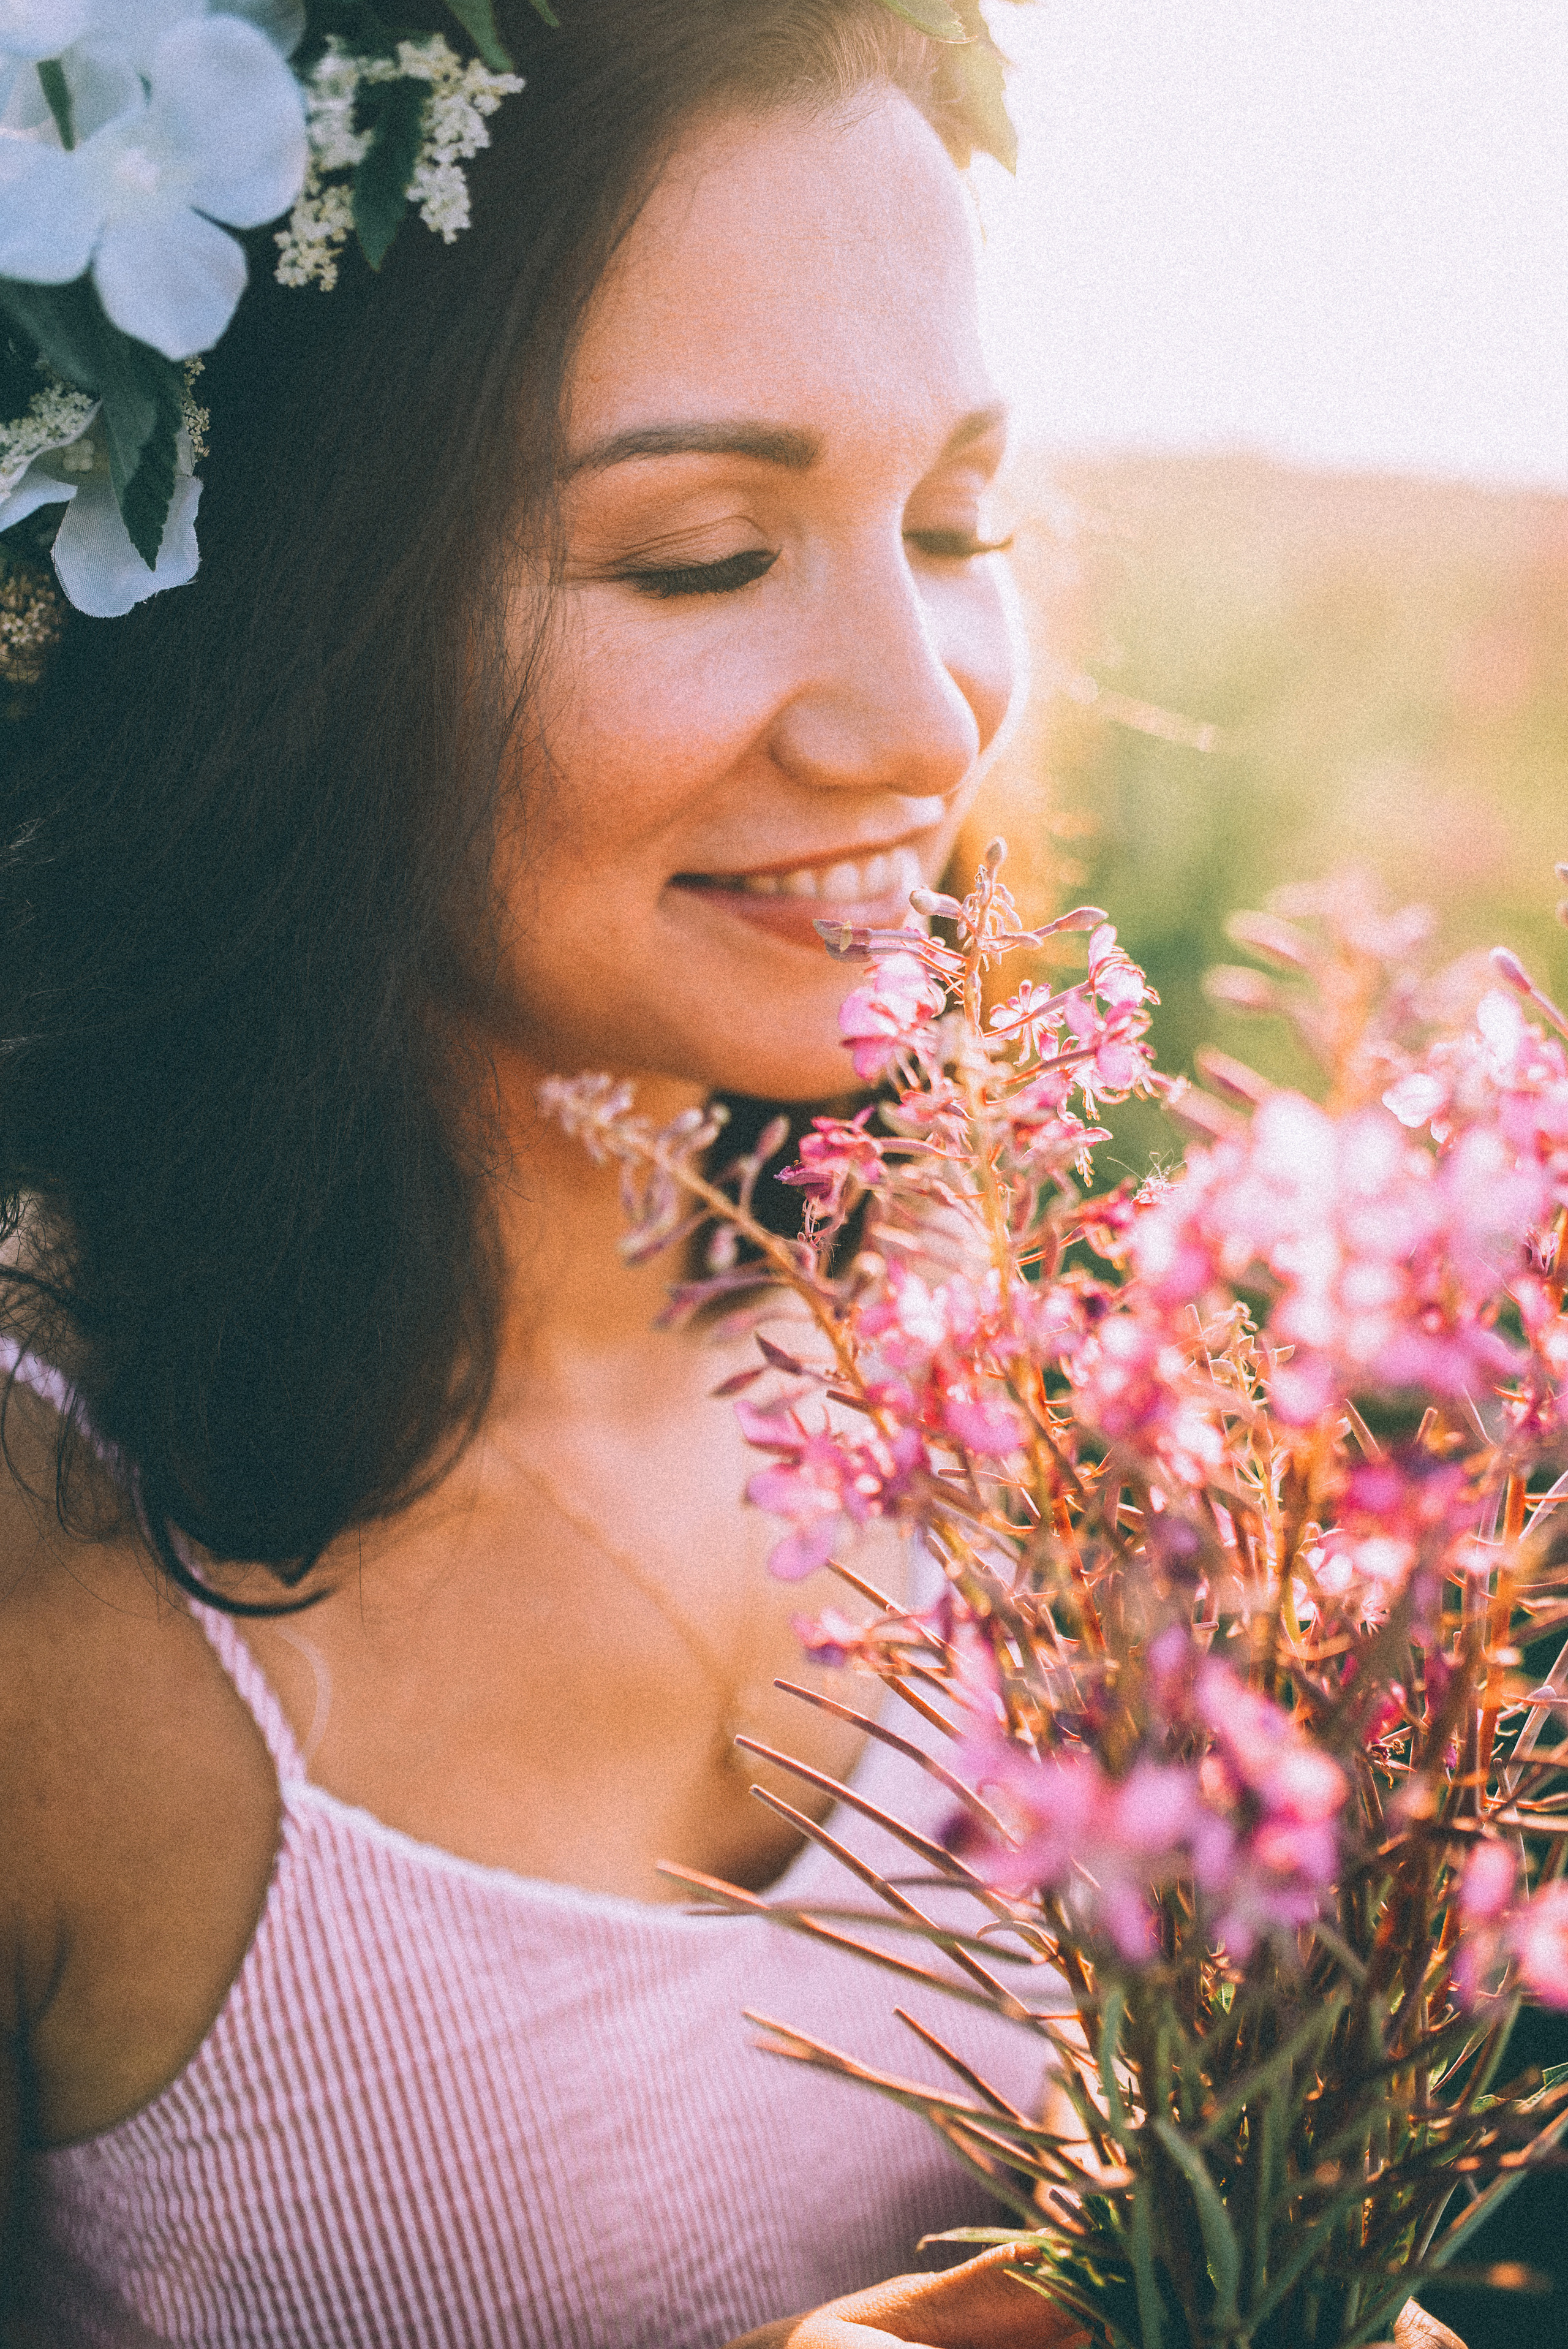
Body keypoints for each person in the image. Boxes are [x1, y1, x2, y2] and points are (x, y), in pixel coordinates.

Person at [0, 4, 1084, 2341]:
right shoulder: (42, 1607)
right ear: (288, 616)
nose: (920, 722)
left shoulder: (985, 1328)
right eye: (703, 557)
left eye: (955, 522)